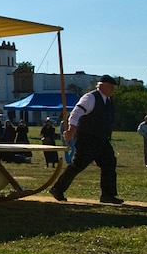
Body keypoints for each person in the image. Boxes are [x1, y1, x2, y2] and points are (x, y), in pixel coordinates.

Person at [48, 75, 121, 204]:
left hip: (102, 139)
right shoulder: (90, 98)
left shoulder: (109, 101)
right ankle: (57, 189)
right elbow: (75, 113)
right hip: (88, 138)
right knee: (78, 165)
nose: (112, 90)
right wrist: (71, 129)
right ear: (102, 86)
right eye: (111, 87)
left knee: (109, 163)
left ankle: (107, 195)